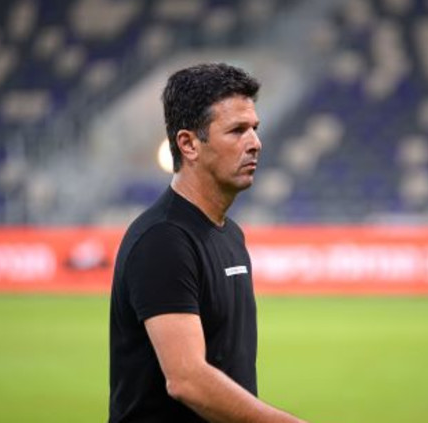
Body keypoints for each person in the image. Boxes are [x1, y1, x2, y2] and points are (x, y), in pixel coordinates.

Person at [108, 63, 307, 423]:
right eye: (237, 130)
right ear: (188, 144)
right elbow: (188, 381)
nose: (255, 143)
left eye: (255, 129)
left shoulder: (230, 233)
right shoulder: (163, 241)